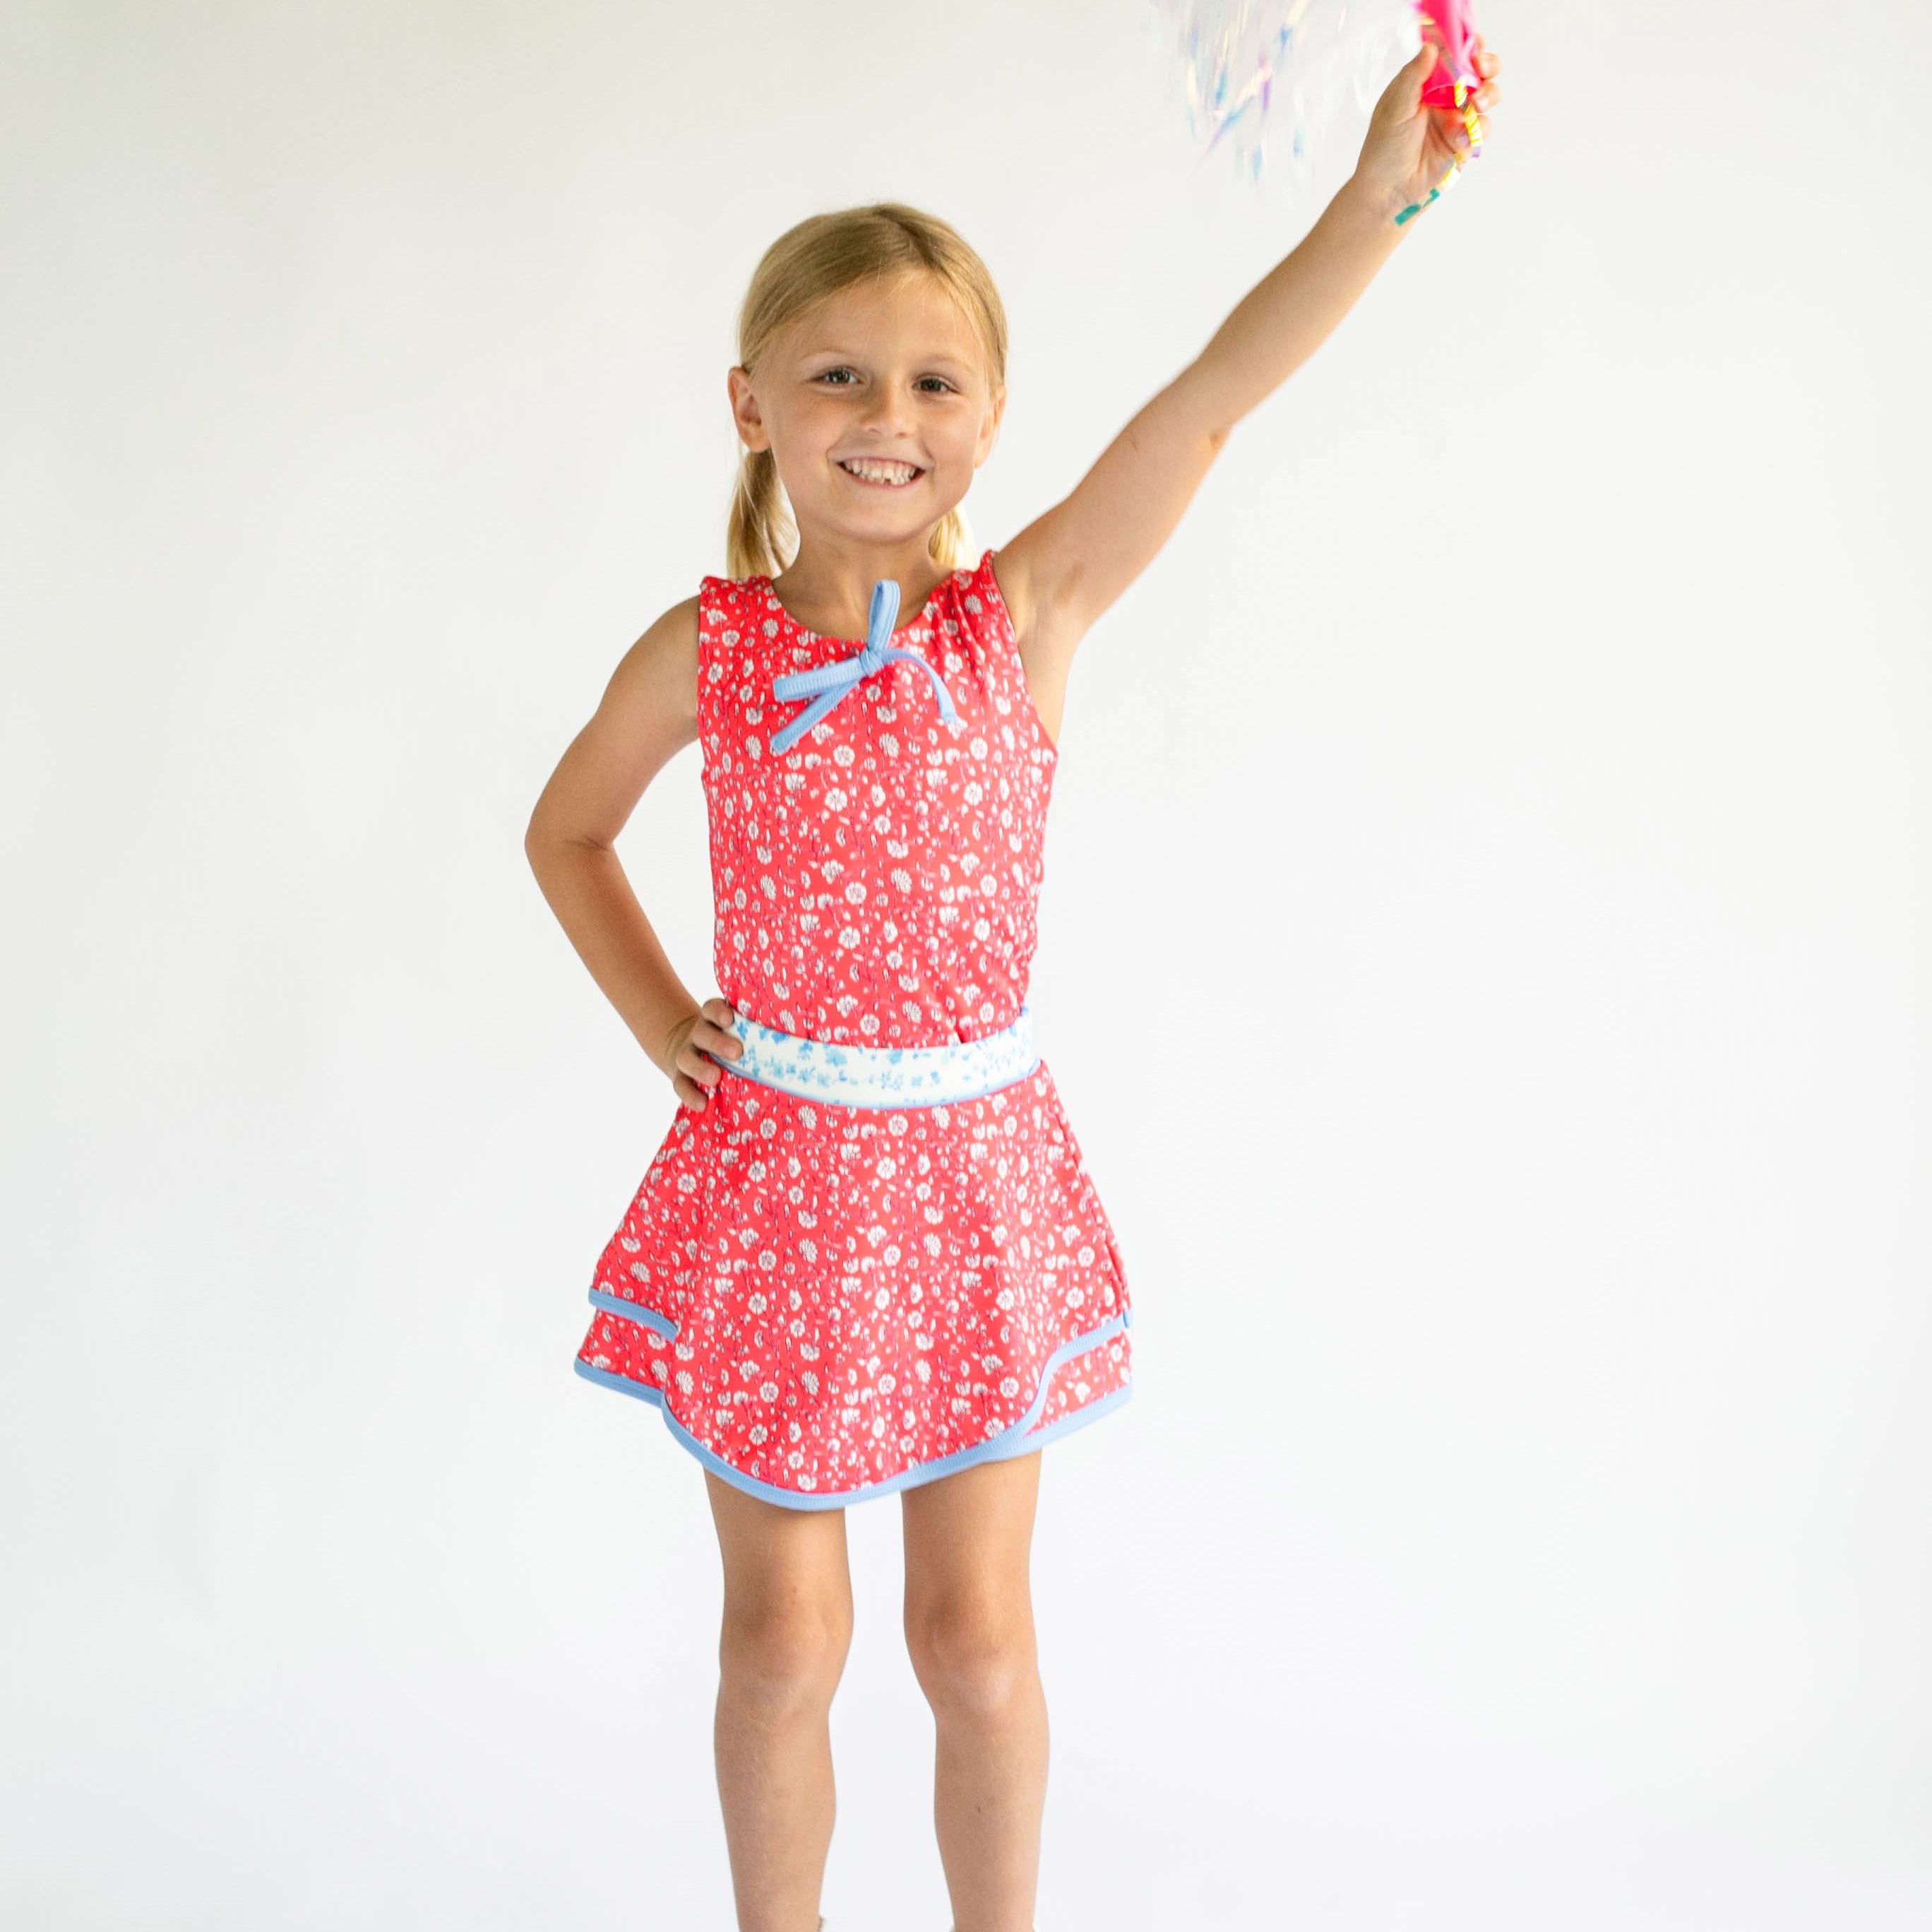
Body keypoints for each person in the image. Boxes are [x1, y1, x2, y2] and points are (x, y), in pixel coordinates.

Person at [525, 32, 1501, 1932]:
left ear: (988, 422)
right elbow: (568, 831)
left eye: (932, 380)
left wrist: (1377, 200)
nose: (883, 413)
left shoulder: (1023, 616)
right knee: (781, 1645)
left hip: (974, 1188)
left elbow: (1208, 406)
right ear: (750, 404)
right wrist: (667, 1024)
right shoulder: (704, 651)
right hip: (781, 1191)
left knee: (973, 1644)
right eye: (836, 372)